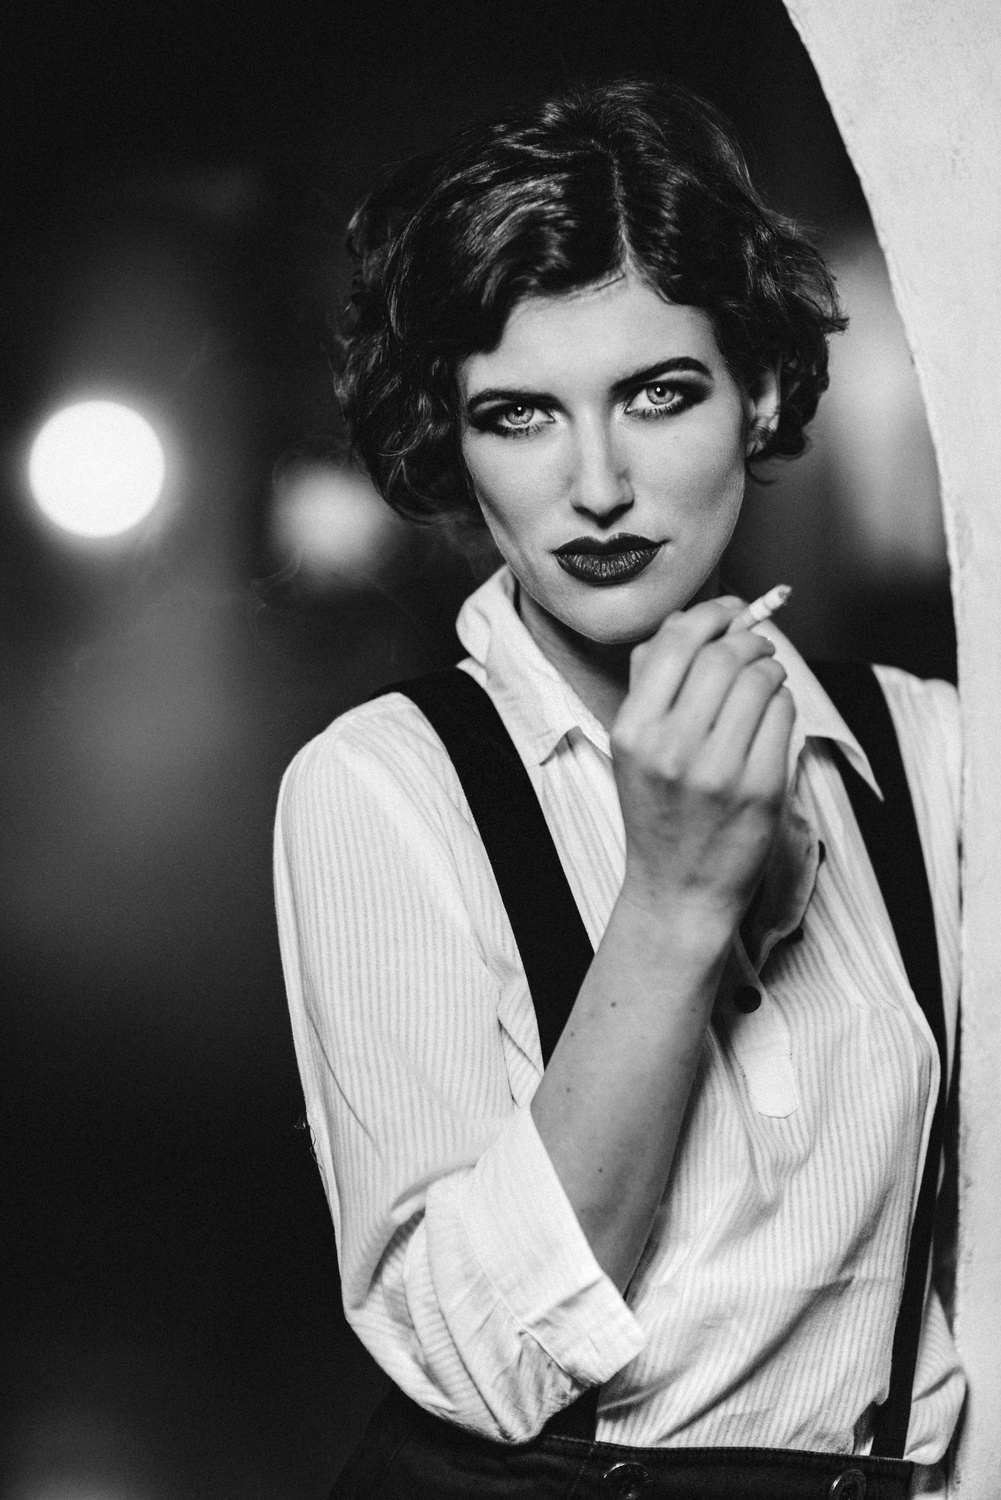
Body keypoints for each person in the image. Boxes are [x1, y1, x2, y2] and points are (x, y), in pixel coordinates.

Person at [274, 79, 964, 1499]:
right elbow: (478, 1365)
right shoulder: (383, 787)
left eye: (657, 395)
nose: (596, 483)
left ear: (757, 393)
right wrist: (672, 904)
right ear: (454, 439)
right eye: (519, 415)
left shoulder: (926, 751)